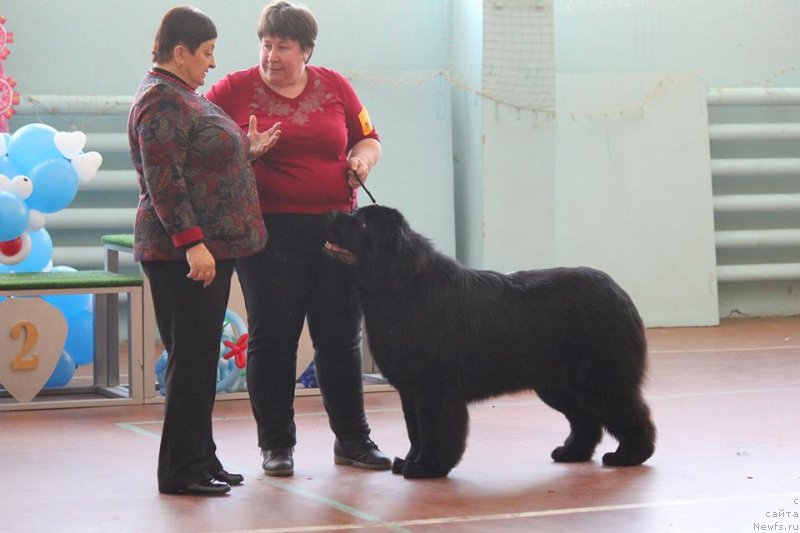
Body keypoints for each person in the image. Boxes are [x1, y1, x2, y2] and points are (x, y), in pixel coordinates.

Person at [206, 0, 389, 477]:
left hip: (335, 230)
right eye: (266, 45)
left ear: (306, 50)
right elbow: (199, 146)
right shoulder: (232, 89)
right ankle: (276, 445)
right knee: (273, 337)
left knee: (340, 337)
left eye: (283, 47)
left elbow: (369, 138)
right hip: (268, 233)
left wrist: (361, 161)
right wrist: (244, 151)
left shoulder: (335, 86)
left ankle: (353, 440)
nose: (271, 56)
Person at [129, 6, 279, 496]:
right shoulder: (161, 102)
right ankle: (178, 470)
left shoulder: (182, 96)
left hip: (205, 250)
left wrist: (244, 148)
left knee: (197, 362)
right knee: (191, 362)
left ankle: (201, 457)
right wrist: (193, 244)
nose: (213, 63)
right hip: (182, 256)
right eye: (207, 52)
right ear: (180, 52)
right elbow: (165, 181)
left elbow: (197, 159)